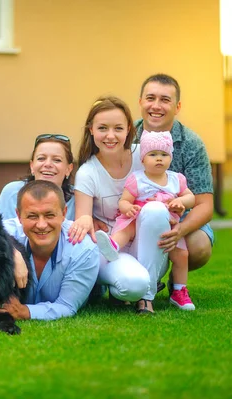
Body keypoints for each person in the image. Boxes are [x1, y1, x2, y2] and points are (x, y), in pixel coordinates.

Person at [67, 95, 157, 314]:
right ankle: (124, 289)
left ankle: (148, 296)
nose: (110, 136)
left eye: (118, 128)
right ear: (91, 130)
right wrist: (86, 218)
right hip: (111, 249)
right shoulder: (88, 172)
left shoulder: (143, 157)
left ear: (128, 128)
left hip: (146, 242)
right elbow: (83, 218)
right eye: (102, 128)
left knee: (155, 211)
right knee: (133, 284)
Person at [95, 130, 197, 310]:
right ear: (142, 159)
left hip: (169, 225)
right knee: (127, 229)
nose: (159, 158)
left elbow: (191, 198)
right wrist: (129, 208)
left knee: (181, 255)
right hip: (139, 217)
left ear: (170, 157)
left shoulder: (176, 179)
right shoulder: (137, 179)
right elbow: (124, 201)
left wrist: (180, 201)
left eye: (164, 154)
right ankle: (113, 246)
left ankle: (179, 290)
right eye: (153, 154)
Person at [134, 73, 215, 293]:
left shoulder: (192, 144)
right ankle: (135, 279)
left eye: (165, 100)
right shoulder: (126, 136)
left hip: (181, 216)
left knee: (199, 246)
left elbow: (205, 204)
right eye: (150, 98)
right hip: (133, 212)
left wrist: (179, 231)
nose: (156, 106)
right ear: (140, 102)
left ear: (177, 106)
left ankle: (175, 281)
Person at [0, 180, 99, 321]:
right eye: (32, 216)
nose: (42, 225)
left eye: (49, 215)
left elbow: (66, 306)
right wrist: (14, 252)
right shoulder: (6, 232)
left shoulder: (83, 249)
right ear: (19, 216)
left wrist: (24, 312)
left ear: (64, 213)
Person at [0, 133, 76, 221]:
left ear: (68, 169)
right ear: (32, 166)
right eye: (41, 158)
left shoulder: (78, 199)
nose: (48, 164)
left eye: (57, 160)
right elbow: (5, 233)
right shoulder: (12, 192)